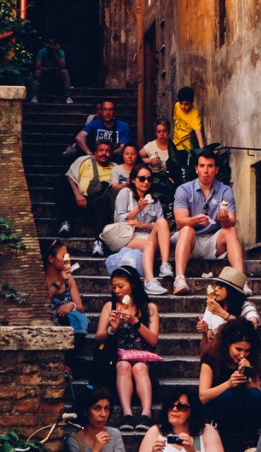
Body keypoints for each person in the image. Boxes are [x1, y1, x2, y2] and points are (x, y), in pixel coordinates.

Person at [94, 266, 161, 432]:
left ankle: (146, 414)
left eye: (121, 286)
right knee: (123, 365)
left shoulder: (149, 308)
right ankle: (127, 413)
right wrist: (112, 329)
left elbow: (153, 340)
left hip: (144, 359)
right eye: (114, 286)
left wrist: (135, 322)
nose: (116, 290)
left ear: (132, 285)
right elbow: (98, 337)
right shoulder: (110, 306)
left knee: (139, 367)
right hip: (118, 358)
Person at [172, 148, 244, 294]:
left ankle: (241, 281)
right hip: (190, 241)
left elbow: (231, 221)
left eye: (210, 166)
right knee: (187, 229)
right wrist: (194, 220)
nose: (206, 171)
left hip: (214, 242)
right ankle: (179, 279)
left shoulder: (225, 190)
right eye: (202, 166)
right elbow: (180, 222)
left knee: (230, 230)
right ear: (196, 169)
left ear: (216, 170)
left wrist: (224, 220)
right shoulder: (184, 190)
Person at [198, 317, 261, 452]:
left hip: (241, 406)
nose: (242, 355)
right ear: (228, 344)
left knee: (255, 396)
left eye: (247, 351)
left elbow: (257, 391)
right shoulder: (211, 359)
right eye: (238, 349)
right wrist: (228, 384)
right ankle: (224, 443)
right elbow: (203, 396)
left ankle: (247, 439)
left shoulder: (249, 360)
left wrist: (249, 372)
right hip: (218, 406)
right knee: (230, 396)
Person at [113, 162, 173, 295]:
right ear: (133, 180)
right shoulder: (124, 193)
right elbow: (119, 220)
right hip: (129, 237)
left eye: (149, 179)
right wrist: (138, 209)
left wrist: (143, 225)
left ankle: (164, 265)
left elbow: (160, 226)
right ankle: (149, 281)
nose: (146, 182)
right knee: (149, 244)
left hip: (148, 236)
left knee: (162, 222)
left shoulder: (154, 200)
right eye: (142, 178)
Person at [55, 140, 114, 253]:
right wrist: (77, 194)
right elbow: (69, 176)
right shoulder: (84, 161)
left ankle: (98, 242)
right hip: (77, 198)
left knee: (102, 201)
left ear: (111, 154)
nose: (104, 154)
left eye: (108, 151)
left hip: (95, 204)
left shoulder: (114, 167)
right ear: (95, 152)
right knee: (61, 181)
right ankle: (65, 223)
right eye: (101, 150)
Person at [196, 266, 261, 353]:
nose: (216, 289)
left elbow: (252, 328)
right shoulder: (213, 306)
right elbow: (208, 345)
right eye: (217, 285)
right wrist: (204, 333)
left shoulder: (247, 308)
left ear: (232, 290)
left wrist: (222, 313)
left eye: (221, 286)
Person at [44, 238, 88, 349]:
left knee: (78, 318)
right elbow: (42, 302)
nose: (67, 259)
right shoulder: (42, 279)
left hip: (67, 323)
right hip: (50, 325)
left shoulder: (69, 279)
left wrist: (71, 306)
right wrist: (59, 282)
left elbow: (80, 307)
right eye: (63, 256)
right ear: (51, 259)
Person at [31, 37, 73, 104]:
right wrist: (48, 69)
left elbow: (63, 66)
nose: (52, 47)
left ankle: (68, 96)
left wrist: (55, 54)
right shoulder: (42, 51)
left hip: (57, 73)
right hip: (45, 72)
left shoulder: (60, 52)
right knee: (37, 72)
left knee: (65, 72)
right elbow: (38, 66)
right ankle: (34, 96)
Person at [172, 86, 205, 152]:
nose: (183, 107)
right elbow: (175, 120)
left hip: (186, 148)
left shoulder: (194, 115)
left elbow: (198, 133)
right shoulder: (177, 106)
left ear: (191, 103)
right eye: (181, 103)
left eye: (186, 104)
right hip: (175, 144)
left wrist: (202, 151)